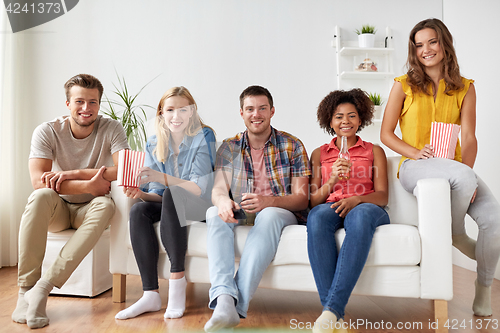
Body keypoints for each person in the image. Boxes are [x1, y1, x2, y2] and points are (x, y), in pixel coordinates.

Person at [380, 18, 500, 317]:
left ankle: (483, 287)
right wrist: (415, 152)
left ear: (444, 43)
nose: (426, 50)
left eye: (431, 42)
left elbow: (470, 137)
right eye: (419, 45)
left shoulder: (465, 88)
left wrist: (467, 176)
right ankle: (457, 234)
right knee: (460, 176)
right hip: (414, 167)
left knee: (494, 219)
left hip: (456, 167)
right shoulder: (402, 85)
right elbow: (386, 134)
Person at [12, 74, 130, 329]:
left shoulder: (112, 128)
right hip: (58, 209)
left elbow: (123, 170)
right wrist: (89, 184)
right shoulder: (48, 130)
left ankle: (43, 288)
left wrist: (74, 174)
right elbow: (38, 181)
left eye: (93, 102)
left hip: (90, 208)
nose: (86, 108)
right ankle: (26, 290)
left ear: (99, 104)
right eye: (79, 101)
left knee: (106, 204)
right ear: (67, 104)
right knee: (41, 195)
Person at [204, 85, 311, 332]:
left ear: (272, 111)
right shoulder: (229, 147)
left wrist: (268, 201)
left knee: (270, 214)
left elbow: (301, 199)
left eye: (262, 108)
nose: (256, 114)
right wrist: (222, 201)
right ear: (241, 113)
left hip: (279, 211)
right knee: (213, 213)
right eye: (250, 109)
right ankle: (223, 299)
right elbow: (218, 189)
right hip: (242, 210)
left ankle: (233, 305)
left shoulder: (292, 145)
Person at [115, 87, 216, 320]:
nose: (176, 116)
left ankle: (177, 280)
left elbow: (197, 188)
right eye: (170, 110)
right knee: (140, 209)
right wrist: (140, 193)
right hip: (171, 203)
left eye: (183, 110)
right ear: (162, 113)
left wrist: (159, 177)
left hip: (200, 205)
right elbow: (159, 195)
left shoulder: (204, 135)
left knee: (173, 193)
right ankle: (150, 293)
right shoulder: (154, 142)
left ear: (192, 112)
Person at [308, 89, 390, 333]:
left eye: (352, 116)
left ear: (361, 119)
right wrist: (332, 178)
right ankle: (334, 316)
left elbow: (383, 196)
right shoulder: (318, 154)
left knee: (361, 215)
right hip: (332, 205)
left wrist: (357, 199)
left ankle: (331, 310)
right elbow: (314, 201)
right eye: (339, 116)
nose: (345, 121)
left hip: (368, 208)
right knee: (317, 216)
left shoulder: (374, 150)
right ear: (329, 121)